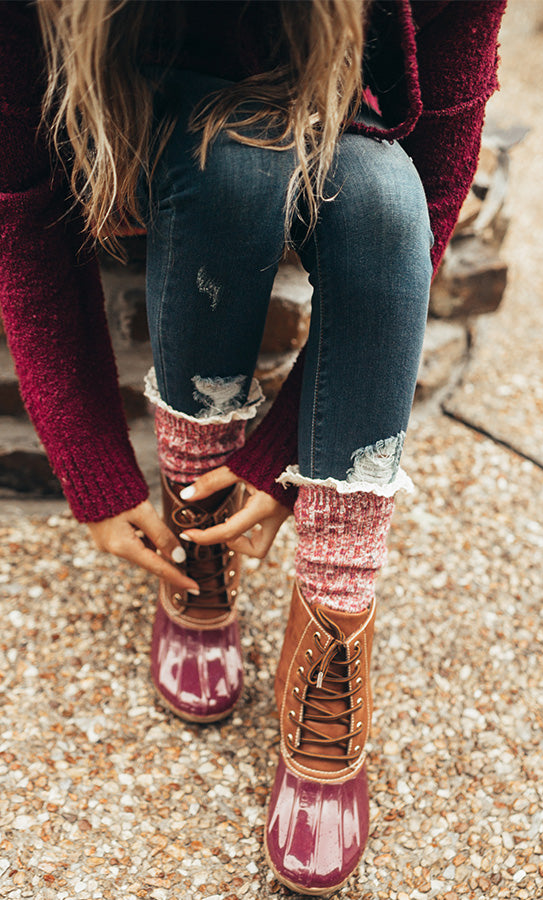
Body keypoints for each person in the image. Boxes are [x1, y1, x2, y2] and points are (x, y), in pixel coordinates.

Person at [0, 0, 506, 893]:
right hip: (163, 143)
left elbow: (430, 198)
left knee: (386, 206)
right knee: (231, 164)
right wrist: (95, 470)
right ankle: (199, 538)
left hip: (352, 126)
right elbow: (24, 217)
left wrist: (280, 455)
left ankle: (337, 609)